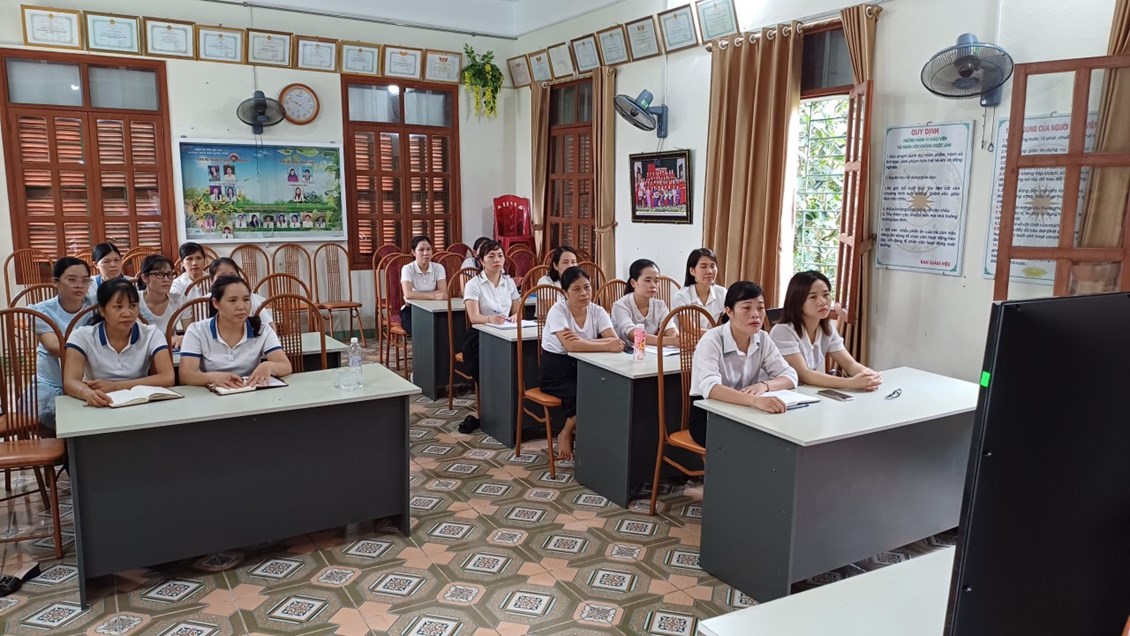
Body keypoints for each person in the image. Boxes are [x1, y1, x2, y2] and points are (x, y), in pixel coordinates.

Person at [688, 281, 799, 446]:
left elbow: (790, 375)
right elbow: (711, 388)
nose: (755, 314)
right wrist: (754, 401)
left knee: (781, 436)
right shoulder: (711, 340)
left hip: (745, 412)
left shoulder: (762, 338)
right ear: (729, 311)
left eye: (760, 308)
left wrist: (764, 386)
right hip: (709, 416)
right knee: (755, 444)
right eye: (746, 308)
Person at [540, 266, 623, 460]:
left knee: (607, 391)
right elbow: (570, 346)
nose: (584, 293)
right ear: (565, 292)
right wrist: (602, 344)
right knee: (588, 394)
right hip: (556, 371)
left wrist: (584, 341)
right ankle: (566, 432)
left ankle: (591, 441)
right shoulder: (558, 310)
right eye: (576, 289)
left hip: (585, 367)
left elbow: (616, 341)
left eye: (587, 287)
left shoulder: (597, 311)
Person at [62, 279, 174, 407]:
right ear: (102, 310)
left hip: (139, 402)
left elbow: (168, 377)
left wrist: (116, 386)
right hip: (99, 402)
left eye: (132, 306)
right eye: (118, 307)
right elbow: (70, 381)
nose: (127, 314)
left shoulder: (152, 334)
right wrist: (87, 394)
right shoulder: (81, 336)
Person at [770, 270, 882, 391]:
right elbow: (803, 375)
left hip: (806, 392)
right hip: (778, 393)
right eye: (813, 297)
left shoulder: (827, 328)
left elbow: (850, 365)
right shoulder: (783, 331)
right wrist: (850, 383)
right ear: (798, 302)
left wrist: (871, 376)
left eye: (826, 294)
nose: (823, 302)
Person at [178, 275, 292, 389]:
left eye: (246, 299)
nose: (241, 307)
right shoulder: (197, 331)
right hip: (213, 394)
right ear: (216, 303)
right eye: (232, 300)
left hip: (250, 391)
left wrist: (268, 366)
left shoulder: (262, 329)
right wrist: (211, 378)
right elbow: (185, 375)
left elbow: (285, 366)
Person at [459, 240, 521, 433]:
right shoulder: (473, 284)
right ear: (481, 260)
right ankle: (489, 410)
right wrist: (490, 319)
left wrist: (514, 316)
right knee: (486, 368)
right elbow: (474, 317)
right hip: (481, 336)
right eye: (491, 256)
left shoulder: (509, 282)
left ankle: (512, 410)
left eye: (500, 256)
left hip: (506, 333)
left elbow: (517, 310)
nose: (497, 260)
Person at [30, 257, 96, 431]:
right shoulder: (41, 310)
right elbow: (54, 346)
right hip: (51, 382)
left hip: (88, 380)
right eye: (72, 280)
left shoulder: (96, 307)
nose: (79, 285)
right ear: (55, 282)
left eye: (85, 280)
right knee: (43, 415)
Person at [611, 259, 676, 348]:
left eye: (656, 281)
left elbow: (670, 328)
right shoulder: (620, 306)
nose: (653, 285)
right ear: (633, 283)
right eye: (647, 280)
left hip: (651, 352)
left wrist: (676, 336)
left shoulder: (660, 305)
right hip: (625, 353)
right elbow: (634, 335)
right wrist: (672, 341)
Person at [190, 258, 273, 326]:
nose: (228, 281)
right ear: (211, 281)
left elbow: (269, 325)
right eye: (221, 277)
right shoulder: (203, 302)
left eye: (232, 276)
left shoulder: (250, 297)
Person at [399, 236, 447, 336]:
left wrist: (418, 295)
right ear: (413, 252)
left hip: (434, 309)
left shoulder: (439, 268)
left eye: (428, 249)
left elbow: (443, 293)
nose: (426, 253)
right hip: (412, 310)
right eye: (421, 250)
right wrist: (433, 295)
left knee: (444, 329)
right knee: (420, 332)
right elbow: (408, 294)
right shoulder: (407, 268)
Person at [137, 254, 187, 348]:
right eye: (159, 274)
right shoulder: (134, 302)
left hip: (171, 350)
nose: (166, 279)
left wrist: (183, 338)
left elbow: (190, 333)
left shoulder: (180, 300)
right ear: (144, 278)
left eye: (170, 274)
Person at [672, 247, 727, 328]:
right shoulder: (681, 297)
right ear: (692, 271)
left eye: (712, 266)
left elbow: (723, 323)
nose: (709, 271)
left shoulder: (722, 292)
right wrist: (716, 333)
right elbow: (691, 330)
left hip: (713, 335)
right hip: (689, 336)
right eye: (703, 267)